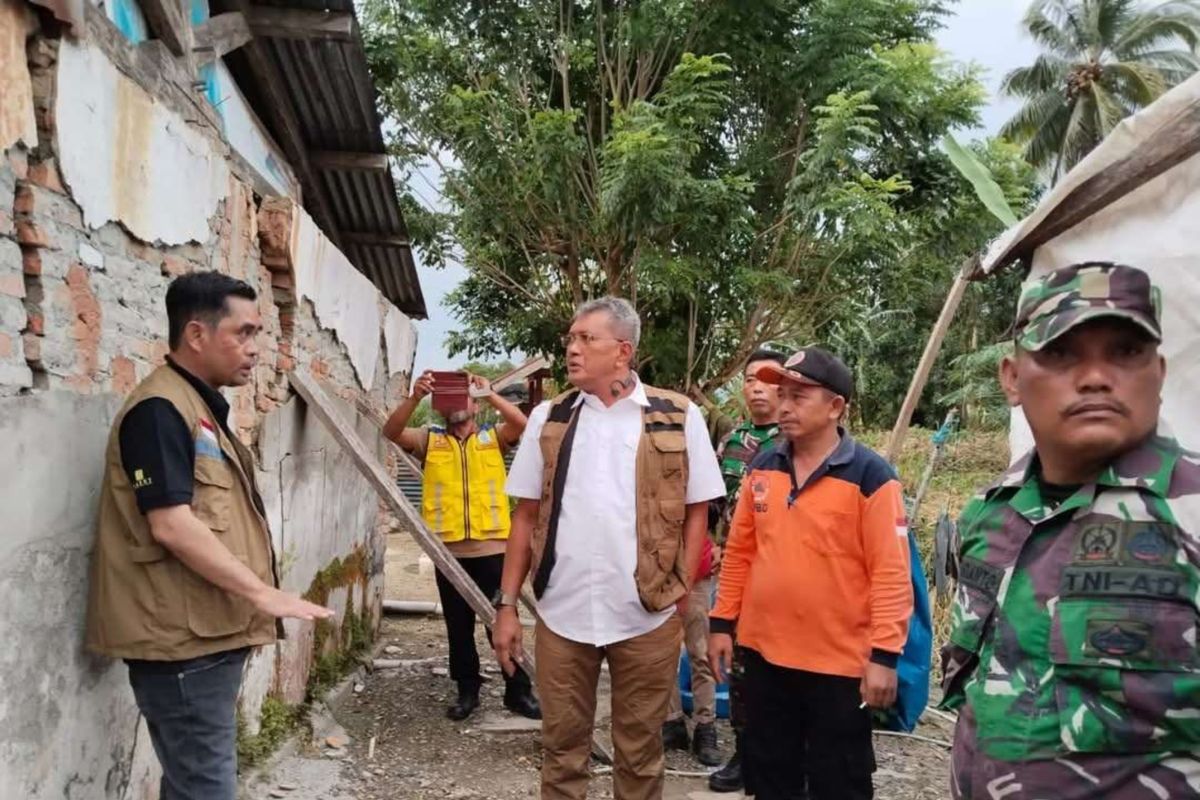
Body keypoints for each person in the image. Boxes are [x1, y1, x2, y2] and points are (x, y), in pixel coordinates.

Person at [941, 262, 1200, 799]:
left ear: (1161, 371)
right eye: (1060, 352)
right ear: (1011, 378)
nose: (1096, 377)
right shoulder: (990, 512)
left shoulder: (1190, 512)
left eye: (1126, 352)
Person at [85, 272, 334, 800]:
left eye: (259, 333)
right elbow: (170, 523)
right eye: (243, 333)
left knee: (194, 784)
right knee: (206, 788)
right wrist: (261, 593)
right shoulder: (158, 411)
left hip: (204, 637)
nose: (255, 349)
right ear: (196, 335)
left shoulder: (196, 408)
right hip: (183, 649)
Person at [493, 296, 725, 800]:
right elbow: (526, 516)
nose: (572, 349)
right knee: (561, 751)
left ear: (622, 351)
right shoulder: (549, 418)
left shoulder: (678, 417)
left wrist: (679, 591)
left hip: (645, 616)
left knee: (641, 754)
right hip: (561, 614)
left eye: (585, 339)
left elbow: (697, 512)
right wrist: (507, 606)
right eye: (570, 340)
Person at [709, 347, 913, 800]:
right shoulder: (763, 468)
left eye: (799, 396)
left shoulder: (871, 477)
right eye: (781, 394)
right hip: (765, 658)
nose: (783, 406)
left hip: (838, 667)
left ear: (835, 406)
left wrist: (884, 655)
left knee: (838, 782)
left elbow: (890, 572)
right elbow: (740, 551)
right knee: (769, 778)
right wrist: (722, 622)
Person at [383, 369, 541, 721]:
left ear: (473, 404)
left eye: (463, 397)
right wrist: (415, 397)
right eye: (449, 399)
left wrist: (489, 393)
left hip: (493, 551)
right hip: (449, 553)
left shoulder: (493, 437)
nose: (457, 405)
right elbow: (390, 432)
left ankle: (518, 692)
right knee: (458, 627)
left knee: (501, 622)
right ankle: (467, 691)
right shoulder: (430, 440)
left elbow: (523, 424)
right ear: (440, 407)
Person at [704, 349, 785, 793]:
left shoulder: (793, 442)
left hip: (780, 575)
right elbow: (716, 501)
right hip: (736, 574)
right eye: (749, 379)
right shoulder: (733, 441)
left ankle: (787, 752)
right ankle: (745, 752)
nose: (755, 387)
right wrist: (711, 545)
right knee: (739, 667)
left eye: (764, 379)